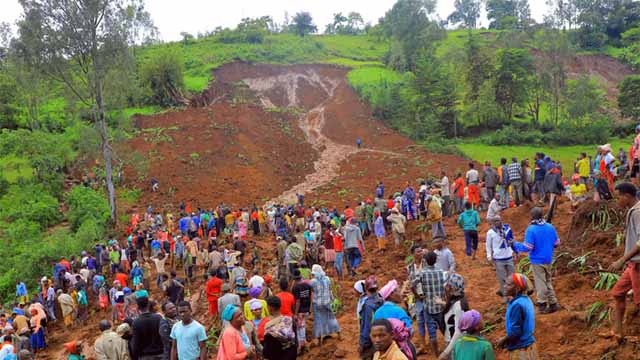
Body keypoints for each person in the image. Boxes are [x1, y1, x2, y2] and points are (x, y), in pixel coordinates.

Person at [607, 183, 640, 343]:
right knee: (618, 293)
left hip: (638, 265)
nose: (617, 200)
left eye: (618, 196)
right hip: (632, 264)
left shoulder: (638, 212)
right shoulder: (633, 211)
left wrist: (622, 259)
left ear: (627, 196)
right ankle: (617, 332)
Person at [514, 207, 560, 314]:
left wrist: (515, 244)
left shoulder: (531, 229)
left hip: (537, 260)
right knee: (548, 281)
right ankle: (553, 303)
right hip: (548, 258)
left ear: (532, 217)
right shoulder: (550, 227)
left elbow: (527, 247)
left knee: (540, 282)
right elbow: (557, 243)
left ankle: (542, 304)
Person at [497, 274, 537, 359]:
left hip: (521, 348)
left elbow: (516, 332)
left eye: (508, 285)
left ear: (517, 288)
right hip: (529, 343)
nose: (505, 286)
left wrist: (504, 340)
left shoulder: (517, 305)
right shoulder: (526, 299)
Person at [413, 251, 446, 357]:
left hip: (428, 306)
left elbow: (412, 285)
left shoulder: (422, 273)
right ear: (435, 260)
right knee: (444, 328)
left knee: (432, 334)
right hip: (440, 305)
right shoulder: (441, 272)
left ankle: (436, 355)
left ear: (425, 261)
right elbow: (447, 286)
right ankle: (448, 350)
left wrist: (418, 296)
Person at [438, 273, 470, 360]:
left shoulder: (458, 306)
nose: (445, 287)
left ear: (453, 288)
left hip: (456, 345)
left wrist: (446, 352)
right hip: (453, 343)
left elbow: (458, 332)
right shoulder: (455, 300)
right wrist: (441, 302)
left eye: (447, 285)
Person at [485, 216, 516, 303]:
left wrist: (515, 250)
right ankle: (505, 296)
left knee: (512, 278)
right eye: (495, 221)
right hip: (498, 259)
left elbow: (512, 239)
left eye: (498, 220)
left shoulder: (507, 229)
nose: (497, 222)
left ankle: (514, 295)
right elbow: (488, 245)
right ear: (493, 223)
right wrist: (489, 256)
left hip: (509, 257)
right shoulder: (490, 233)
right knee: (502, 279)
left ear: (501, 220)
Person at [310, 264, 341, 346]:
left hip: (317, 303)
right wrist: (332, 299)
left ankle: (319, 340)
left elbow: (312, 292)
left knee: (318, 320)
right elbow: (330, 290)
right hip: (327, 302)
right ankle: (338, 333)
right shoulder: (327, 279)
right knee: (331, 318)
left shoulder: (313, 282)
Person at [359, 276, 383, 360]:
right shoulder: (381, 300)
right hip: (382, 338)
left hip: (371, 341)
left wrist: (364, 343)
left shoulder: (368, 305)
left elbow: (367, 326)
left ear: (366, 289)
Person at [291, 270, 313, 353]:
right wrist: (310, 308)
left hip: (300, 311)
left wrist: (295, 313)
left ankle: (302, 345)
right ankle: (303, 343)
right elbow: (311, 296)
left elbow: (297, 301)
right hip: (307, 309)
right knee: (302, 326)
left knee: (300, 328)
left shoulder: (295, 288)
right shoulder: (307, 285)